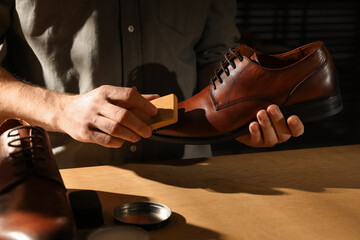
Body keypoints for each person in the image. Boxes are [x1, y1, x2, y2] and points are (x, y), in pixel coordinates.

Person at [0, 0, 303, 168]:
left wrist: (236, 115)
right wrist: (61, 110)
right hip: (63, 183)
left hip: (194, 179)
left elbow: (214, 54)